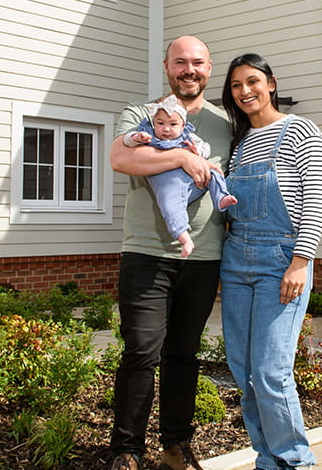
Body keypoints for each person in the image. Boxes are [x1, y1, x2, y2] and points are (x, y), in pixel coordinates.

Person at [107, 35, 232, 470]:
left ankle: (176, 447)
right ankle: (126, 450)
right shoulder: (142, 113)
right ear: (167, 67)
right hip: (146, 253)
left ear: (209, 68)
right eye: (180, 62)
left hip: (204, 257)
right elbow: (122, 159)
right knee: (141, 352)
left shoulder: (224, 122)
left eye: (197, 63)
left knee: (184, 354)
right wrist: (181, 156)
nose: (189, 70)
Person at [218, 53, 322, 470]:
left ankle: (296, 462)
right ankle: (268, 459)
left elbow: (319, 197)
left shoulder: (299, 129)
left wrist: (301, 261)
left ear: (271, 83)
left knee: (270, 372)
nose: (245, 91)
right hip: (235, 261)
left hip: (280, 259)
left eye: (252, 81)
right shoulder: (241, 141)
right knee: (243, 372)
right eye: (236, 86)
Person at [120, 94, 237, 258]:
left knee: (214, 172)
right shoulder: (149, 135)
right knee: (169, 205)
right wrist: (135, 138)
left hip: (193, 186)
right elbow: (123, 150)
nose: (166, 129)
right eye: (160, 123)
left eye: (173, 124)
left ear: (183, 125)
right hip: (168, 186)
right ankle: (184, 237)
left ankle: (221, 197)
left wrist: (198, 152)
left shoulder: (188, 136)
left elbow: (206, 148)